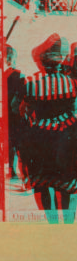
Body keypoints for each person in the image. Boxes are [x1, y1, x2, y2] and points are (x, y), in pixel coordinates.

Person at [19, 34, 77, 224]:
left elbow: (22, 111)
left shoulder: (31, 84)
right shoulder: (72, 84)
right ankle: (68, 224)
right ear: (61, 61)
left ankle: (52, 224)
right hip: (67, 138)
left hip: (41, 139)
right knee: (67, 185)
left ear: (42, 62)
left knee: (43, 184)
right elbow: (75, 108)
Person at [4, 45, 25, 179]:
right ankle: (13, 170)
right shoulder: (19, 75)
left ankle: (11, 170)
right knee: (16, 143)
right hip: (15, 115)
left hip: (7, 114)